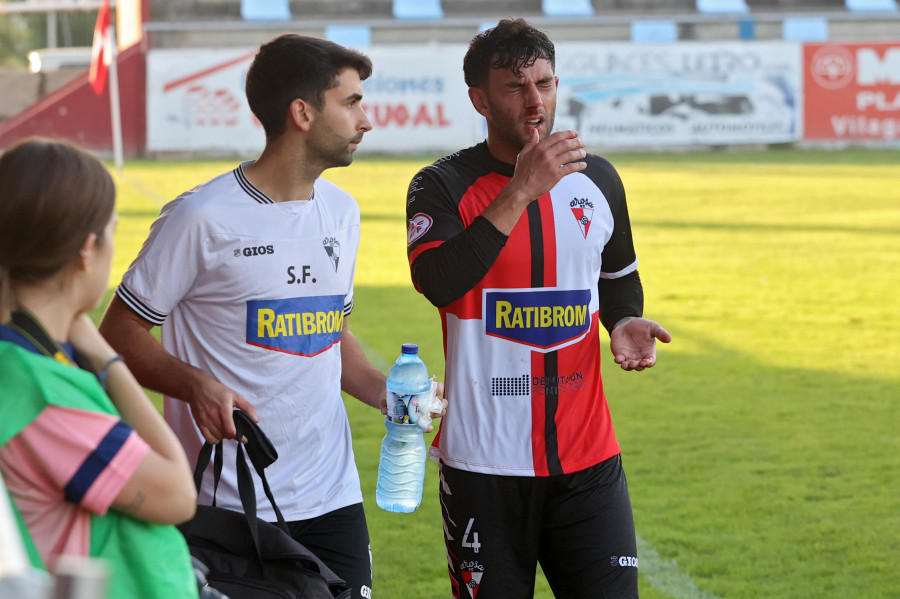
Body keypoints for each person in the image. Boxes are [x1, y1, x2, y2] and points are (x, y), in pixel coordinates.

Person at [99, 34, 444, 599]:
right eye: (352, 102)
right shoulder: (201, 218)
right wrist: (196, 386)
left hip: (334, 500)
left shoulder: (342, 212)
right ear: (303, 113)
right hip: (229, 507)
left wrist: (390, 394)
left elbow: (331, 337)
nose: (367, 119)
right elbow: (117, 332)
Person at [405, 19, 672, 599]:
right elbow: (439, 282)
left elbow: (618, 277)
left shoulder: (597, 177)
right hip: (483, 466)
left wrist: (624, 319)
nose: (535, 102)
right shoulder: (441, 184)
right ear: (479, 98)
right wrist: (522, 189)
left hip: (588, 460)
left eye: (545, 84)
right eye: (515, 87)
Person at [0, 137, 199, 598]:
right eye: (111, 230)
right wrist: (109, 362)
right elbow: (176, 494)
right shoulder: (37, 391)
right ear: (87, 250)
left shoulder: (28, 358)